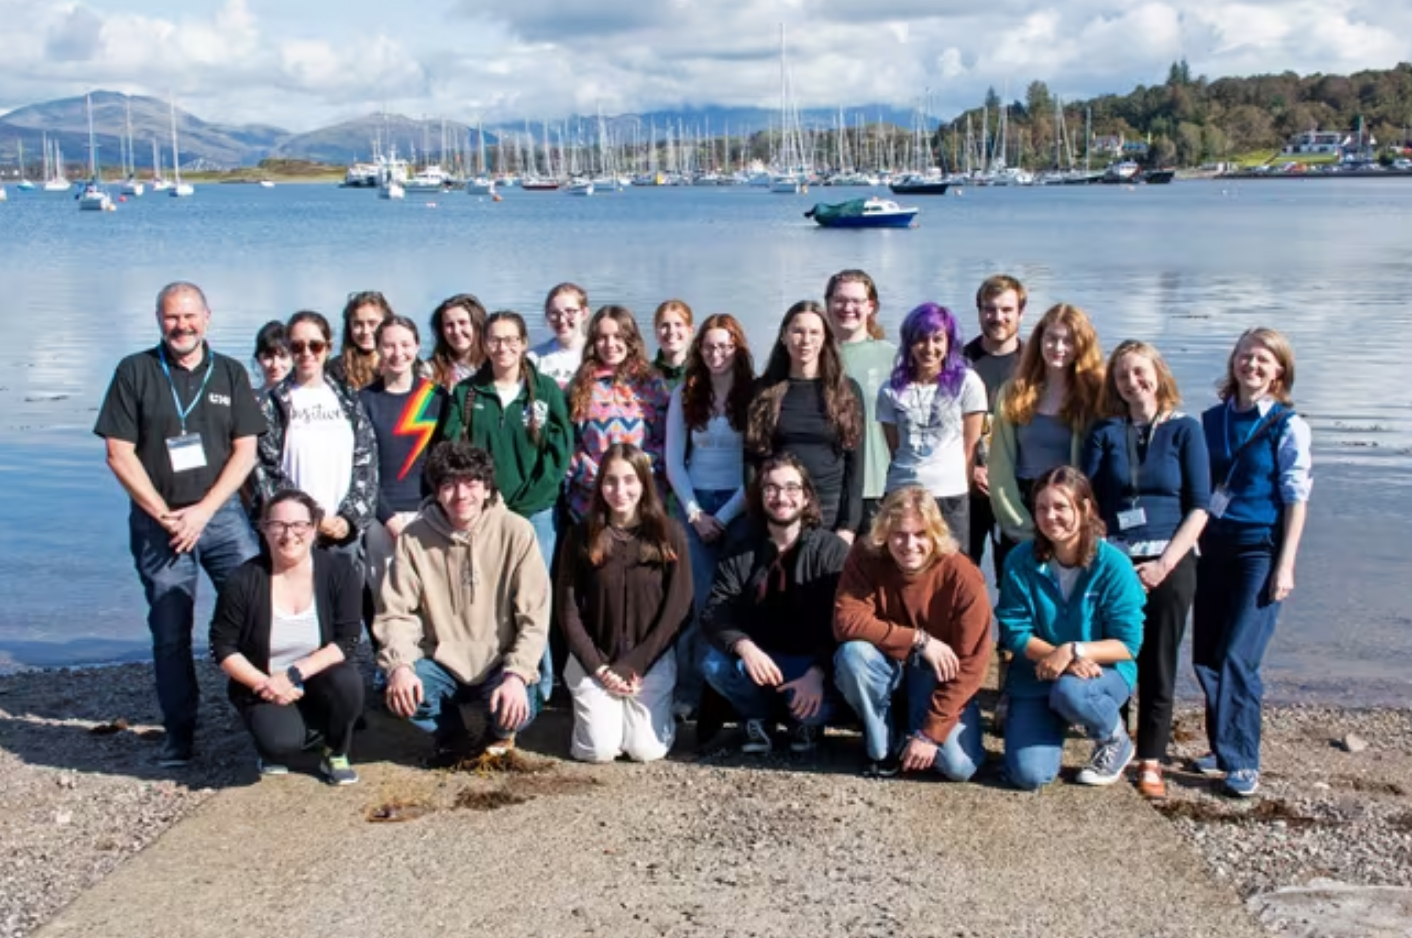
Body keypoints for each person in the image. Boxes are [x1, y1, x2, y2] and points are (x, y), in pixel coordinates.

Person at [94, 281, 265, 767]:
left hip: (222, 518)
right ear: (157, 319)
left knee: (257, 615)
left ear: (207, 318)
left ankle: (262, 718)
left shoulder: (229, 373)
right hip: (159, 523)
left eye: (190, 316)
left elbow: (246, 450)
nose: (182, 326)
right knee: (171, 631)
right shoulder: (135, 372)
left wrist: (204, 510)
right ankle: (180, 732)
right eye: (172, 317)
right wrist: (166, 514)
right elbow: (118, 453)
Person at [1082, 340, 1210, 799]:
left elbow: (1199, 507)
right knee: (1114, 653)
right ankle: (1112, 740)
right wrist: (1108, 559)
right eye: (1122, 376)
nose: (1132, 382)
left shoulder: (1185, 431)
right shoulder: (1105, 432)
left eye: (1140, 372)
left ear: (1158, 373)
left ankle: (1151, 758)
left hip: (1171, 561)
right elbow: (1088, 500)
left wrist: (1163, 564)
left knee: (1158, 660)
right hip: (1116, 560)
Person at [1190, 328, 1311, 798]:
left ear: (1279, 370)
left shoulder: (1287, 424)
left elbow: (1295, 499)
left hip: (1259, 550)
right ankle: (1221, 748)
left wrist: (1287, 564)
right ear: (1233, 362)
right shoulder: (1211, 420)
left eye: (1262, 359)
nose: (1251, 366)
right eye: (1245, 357)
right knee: (1206, 656)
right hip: (1212, 548)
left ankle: (1243, 760)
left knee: (1239, 656)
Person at [374, 441, 551, 758]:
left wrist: (517, 674)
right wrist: (400, 666)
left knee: (520, 705)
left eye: (471, 483)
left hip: (498, 661)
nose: (461, 495)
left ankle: (499, 732)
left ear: (486, 489)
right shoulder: (414, 538)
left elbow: (534, 616)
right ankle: (452, 733)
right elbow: (397, 614)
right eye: (449, 485)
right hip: (439, 661)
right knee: (398, 689)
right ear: (438, 491)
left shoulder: (517, 532)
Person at [438, 310, 572, 704]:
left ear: (524, 343)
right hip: (482, 513)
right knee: (489, 598)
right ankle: (486, 680)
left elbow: (559, 454)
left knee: (534, 598)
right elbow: (452, 453)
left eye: (511, 339)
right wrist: (483, 502)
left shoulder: (545, 391)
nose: (503, 347)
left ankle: (541, 683)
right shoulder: (467, 394)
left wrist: (528, 502)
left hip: (536, 514)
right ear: (485, 344)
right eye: (495, 340)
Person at [996, 466, 1145, 791]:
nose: (1051, 517)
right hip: (1038, 672)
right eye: (1041, 508)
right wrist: (1059, 658)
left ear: (1085, 508)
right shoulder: (1020, 560)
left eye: (1061, 507)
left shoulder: (1113, 565)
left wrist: (1073, 650)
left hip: (1101, 674)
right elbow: (1014, 631)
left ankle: (1114, 738)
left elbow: (1128, 644)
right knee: (1028, 776)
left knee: (1070, 692)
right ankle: (1048, 721)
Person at [833, 487, 992, 780]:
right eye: (899, 534)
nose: (909, 544)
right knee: (853, 654)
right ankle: (883, 747)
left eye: (920, 534)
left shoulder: (962, 574)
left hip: (936, 677)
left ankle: (921, 726)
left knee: (958, 768)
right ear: (884, 533)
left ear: (935, 534)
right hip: (886, 667)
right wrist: (920, 639)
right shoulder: (866, 556)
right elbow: (846, 621)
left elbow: (973, 663)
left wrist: (931, 734)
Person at [209, 490, 364, 784]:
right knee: (281, 744)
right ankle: (286, 733)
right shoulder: (243, 579)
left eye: (298, 526)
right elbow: (222, 646)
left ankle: (335, 751)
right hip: (263, 681)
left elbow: (348, 640)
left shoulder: (338, 570)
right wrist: (264, 683)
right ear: (264, 529)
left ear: (314, 528)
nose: (288, 534)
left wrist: (292, 675)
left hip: (315, 674)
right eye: (278, 525)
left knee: (349, 683)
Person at [699, 454, 850, 754]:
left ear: (806, 497)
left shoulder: (832, 550)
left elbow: (845, 621)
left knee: (828, 690)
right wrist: (744, 645)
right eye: (771, 488)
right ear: (760, 495)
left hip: (811, 665)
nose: (782, 497)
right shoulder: (741, 548)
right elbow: (715, 610)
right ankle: (758, 718)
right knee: (714, 664)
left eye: (792, 488)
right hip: (761, 663)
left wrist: (818, 672)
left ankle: (805, 721)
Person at [556, 444, 692, 762]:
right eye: (610, 481)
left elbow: (678, 607)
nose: (620, 490)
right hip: (595, 661)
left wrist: (635, 663)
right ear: (599, 484)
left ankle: (651, 717)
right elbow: (568, 611)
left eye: (629, 480)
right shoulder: (580, 536)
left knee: (645, 750)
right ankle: (591, 720)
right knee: (600, 750)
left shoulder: (669, 534)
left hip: (650, 661)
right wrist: (600, 668)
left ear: (644, 483)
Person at [664, 313, 753, 715]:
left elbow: (758, 461)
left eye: (725, 346)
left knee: (735, 597)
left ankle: (732, 690)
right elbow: (672, 461)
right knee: (697, 600)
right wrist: (696, 513)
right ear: (699, 350)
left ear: (738, 349)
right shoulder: (686, 392)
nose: (717, 353)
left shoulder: (752, 394)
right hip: (695, 503)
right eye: (709, 346)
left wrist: (730, 510)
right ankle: (689, 690)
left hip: (741, 504)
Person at [989, 302, 1104, 574]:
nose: (1058, 347)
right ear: (1039, 340)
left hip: (1070, 510)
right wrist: (1020, 525)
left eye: (1068, 340)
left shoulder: (1096, 396)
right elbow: (1000, 467)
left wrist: (1080, 521)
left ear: (1082, 345)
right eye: (1051, 338)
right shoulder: (1014, 392)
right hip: (1023, 505)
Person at [255, 311, 378, 559]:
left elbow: (366, 460)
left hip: (343, 533)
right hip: (293, 532)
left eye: (316, 345)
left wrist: (349, 518)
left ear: (328, 348)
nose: (307, 353)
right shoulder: (272, 402)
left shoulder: (348, 398)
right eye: (297, 346)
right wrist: (312, 517)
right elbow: (266, 470)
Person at [745, 300, 865, 539]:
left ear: (825, 339)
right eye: (798, 331)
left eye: (814, 332)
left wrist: (848, 526)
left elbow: (855, 466)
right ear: (784, 336)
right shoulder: (763, 390)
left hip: (830, 514)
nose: (805, 340)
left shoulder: (847, 390)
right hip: (779, 509)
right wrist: (758, 516)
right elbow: (751, 462)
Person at [876, 303, 987, 544]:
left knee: (951, 567)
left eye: (937, 339)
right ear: (909, 343)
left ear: (949, 342)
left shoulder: (967, 383)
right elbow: (895, 449)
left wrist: (962, 490)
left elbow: (970, 447)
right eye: (921, 340)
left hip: (950, 494)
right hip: (901, 490)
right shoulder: (890, 390)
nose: (929, 348)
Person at [359, 316, 445, 610]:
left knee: (432, 603)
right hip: (382, 517)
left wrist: (435, 508)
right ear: (378, 349)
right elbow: (361, 468)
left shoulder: (436, 397)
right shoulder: (364, 400)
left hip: (430, 513)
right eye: (389, 345)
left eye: (406, 344)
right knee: (387, 603)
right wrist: (387, 517)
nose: (398, 353)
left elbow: (445, 461)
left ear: (418, 346)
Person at [565, 305, 671, 521]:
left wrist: (635, 474)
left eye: (618, 336)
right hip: (590, 502)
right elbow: (568, 444)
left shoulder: (652, 384)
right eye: (602, 337)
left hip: (642, 502)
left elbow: (667, 441)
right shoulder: (580, 385)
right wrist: (598, 476)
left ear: (630, 340)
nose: (610, 344)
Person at [963, 275, 1026, 576]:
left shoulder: (1033, 365)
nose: (997, 317)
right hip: (967, 491)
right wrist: (970, 468)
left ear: (1020, 313)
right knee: (962, 573)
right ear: (979, 312)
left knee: (1016, 579)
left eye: (1006, 310)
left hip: (1016, 491)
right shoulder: (959, 363)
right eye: (989, 309)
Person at [825, 270, 896, 534]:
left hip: (878, 487)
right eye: (840, 300)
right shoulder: (813, 356)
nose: (847, 308)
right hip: (829, 489)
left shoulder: (891, 357)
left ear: (871, 306)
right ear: (828, 304)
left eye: (856, 301)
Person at [326, 290, 393, 391]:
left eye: (372, 323)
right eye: (358, 324)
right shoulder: (335, 369)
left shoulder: (403, 363)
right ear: (349, 328)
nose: (365, 331)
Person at [527, 282, 589, 390]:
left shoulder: (597, 353)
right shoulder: (534, 358)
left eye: (570, 311)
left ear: (584, 313)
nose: (562, 320)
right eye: (554, 313)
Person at [429, 293, 487, 391]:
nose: (456, 331)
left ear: (477, 325)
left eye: (462, 322)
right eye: (449, 325)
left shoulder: (495, 364)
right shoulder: (431, 371)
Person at [651, 299, 693, 389]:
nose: (671, 331)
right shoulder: (645, 375)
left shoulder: (702, 372)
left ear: (690, 330)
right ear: (655, 331)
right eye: (665, 325)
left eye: (678, 324)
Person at [250, 320, 292, 398]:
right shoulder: (248, 399)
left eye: (283, 356)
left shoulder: (306, 398)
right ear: (258, 359)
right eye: (268, 357)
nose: (275, 365)